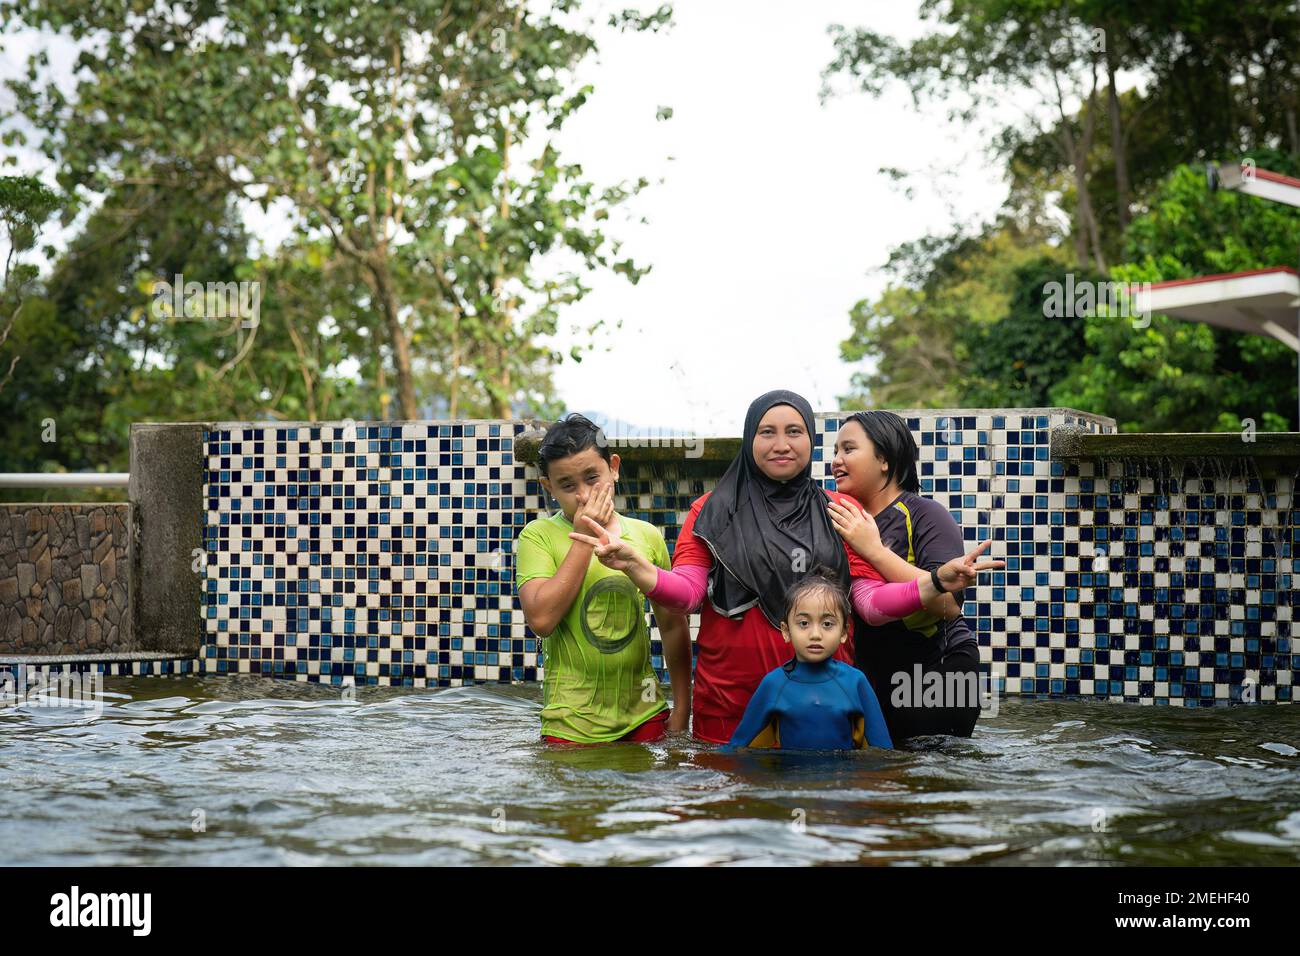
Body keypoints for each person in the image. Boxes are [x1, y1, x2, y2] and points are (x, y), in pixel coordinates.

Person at [565, 390, 993, 744]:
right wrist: (637, 568)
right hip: (728, 703)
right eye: (767, 432)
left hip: (824, 706)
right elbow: (689, 594)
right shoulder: (710, 511)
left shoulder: (840, 510)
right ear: (750, 439)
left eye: (794, 431)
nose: (781, 443)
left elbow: (867, 603)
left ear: (810, 440)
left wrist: (932, 583)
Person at [514, 414, 692, 744]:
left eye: (592, 478)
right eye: (568, 486)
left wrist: (682, 710)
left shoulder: (646, 536)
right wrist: (583, 533)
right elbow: (541, 620)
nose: (584, 495)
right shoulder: (537, 537)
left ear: (613, 468)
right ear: (549, 488)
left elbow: (671, 625)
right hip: (569, 721)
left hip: (645, 714)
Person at [827, 410, 1000, 740]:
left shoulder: (925, 514)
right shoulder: (840, 518)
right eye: (835, 451)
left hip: (939, 667)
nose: (836, 460)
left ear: (885, 460)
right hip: (874, 670)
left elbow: (948, 606)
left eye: (848, 449)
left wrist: (874, 550)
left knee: (933, 775)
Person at [724, 568, 893, 751]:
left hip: (841, 779)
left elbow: (881, 753)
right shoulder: (773, 684)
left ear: (844, 632)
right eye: (803, 623)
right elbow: (739, 752)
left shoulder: (855, 683)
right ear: (786, 631)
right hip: (790, 779)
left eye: (827, 624)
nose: (815, 634)